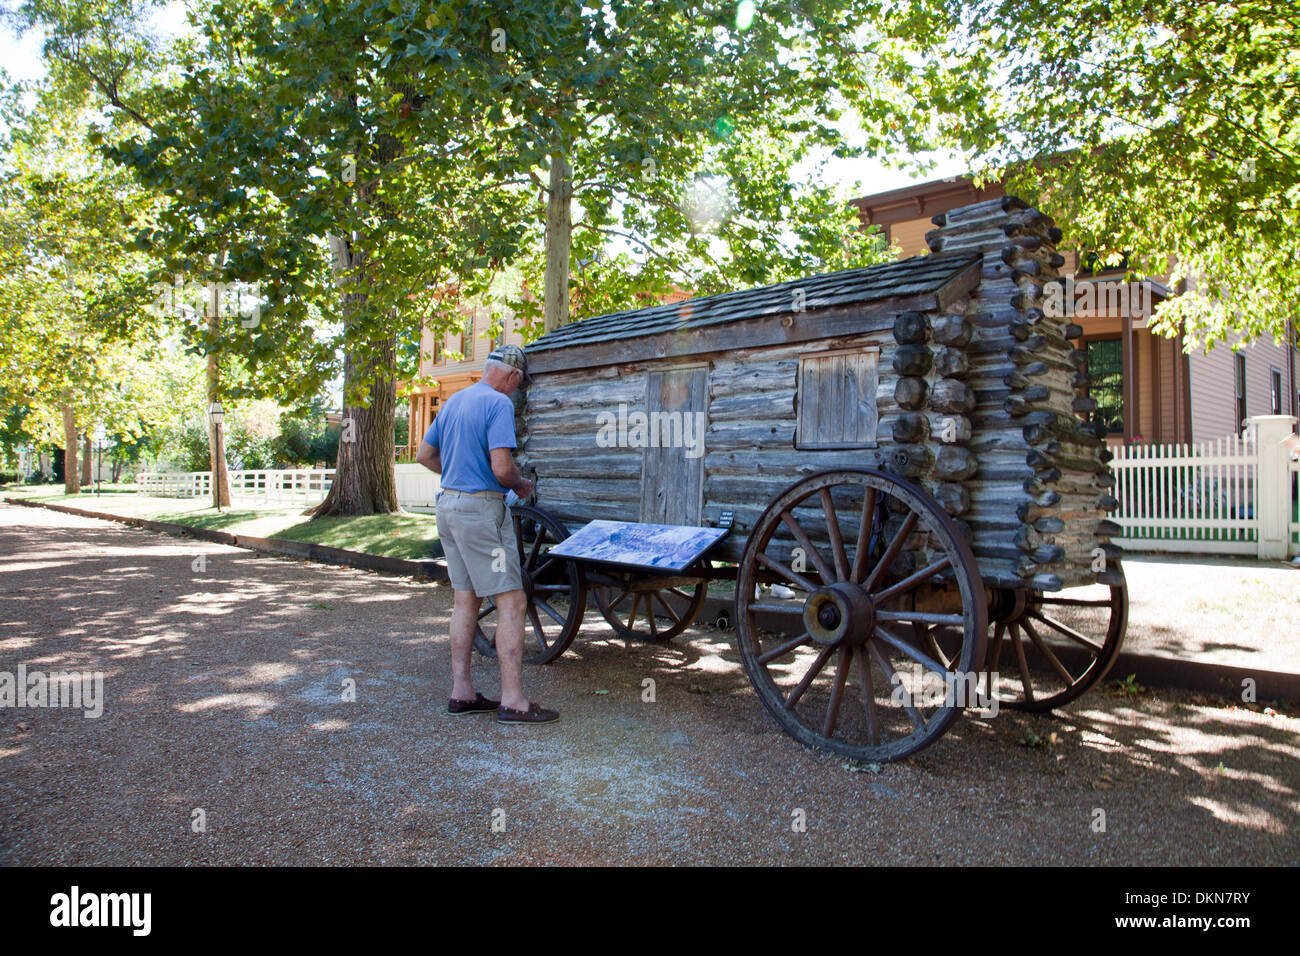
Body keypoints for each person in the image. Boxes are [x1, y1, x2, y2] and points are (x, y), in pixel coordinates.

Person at [416, 345, 558, 724]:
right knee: (512, 601)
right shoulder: (498, 405)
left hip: (448, 507)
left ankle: (461, 692)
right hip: (481, 512)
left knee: (466, 599)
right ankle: (513, 701)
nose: (516, 390)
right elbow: (501, 468)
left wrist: (461, 474)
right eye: (518, 384)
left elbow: (424, 456)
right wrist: (521, 484)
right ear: (511, 377)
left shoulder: (453, 402)